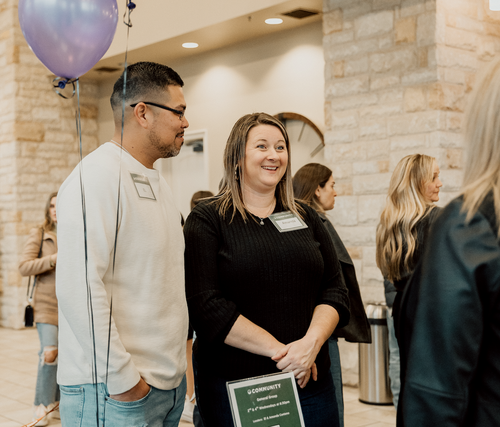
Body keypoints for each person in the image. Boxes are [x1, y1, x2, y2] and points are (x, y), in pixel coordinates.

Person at [184, 113, 350, 427]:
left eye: (280, 147)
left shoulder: (306, 217)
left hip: (310, 381)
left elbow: (335, 291)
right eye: (262, 146)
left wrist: (311, 344)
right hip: (238, 387)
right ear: (237, 157)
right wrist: (286, 354)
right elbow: (206, 306)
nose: (274, 155)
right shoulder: (208, 219)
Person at [56, 62, 190, 427]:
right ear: (142, 113)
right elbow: (78, 289)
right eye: (178, 112)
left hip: (164, 388)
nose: (185, 122)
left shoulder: (158, 182)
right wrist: (123, 381)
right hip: (113, 394)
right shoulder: (94, 178)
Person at [397, 60, 500, 426]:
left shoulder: (467, 223)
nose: (440, 183)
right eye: (434, 177)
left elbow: (436, 390)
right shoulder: (458, 224)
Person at [292, 163, 371, 427]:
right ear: (317, 189)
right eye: (332, 185)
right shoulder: (318, 222)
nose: (335, 192)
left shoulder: (293, 218)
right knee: (331, 408)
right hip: (322, 330)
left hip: (302, 330)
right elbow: (336, 281)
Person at [376, 154, 442, 334]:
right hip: (434, 313)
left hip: (403, 311)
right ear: (418, 183)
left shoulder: (388, 223)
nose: (440, 183)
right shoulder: (439, 219)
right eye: (434, 177)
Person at [19, 192, 59, 426]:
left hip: (71, 305)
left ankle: (56, 402)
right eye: (52, 205)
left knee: (65, 356)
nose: (55, 209)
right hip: (46, 304)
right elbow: (24, 266)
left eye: (59, 205)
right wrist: (53, 259)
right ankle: (41, 405)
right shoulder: (40, 233)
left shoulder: (76, 232)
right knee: (49, 352)